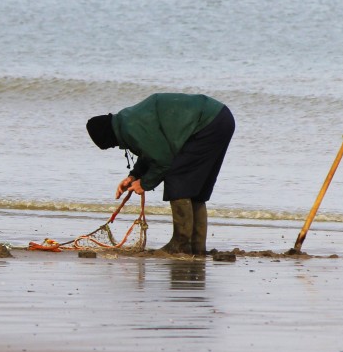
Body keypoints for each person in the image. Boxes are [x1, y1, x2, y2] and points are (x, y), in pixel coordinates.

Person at [86, 93, 234, 255]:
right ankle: (196, 247)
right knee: (195, 190)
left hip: (208, 123)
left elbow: (163, 160)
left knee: (177, 178)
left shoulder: (131, 128)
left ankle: (180, 244)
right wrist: (134, 176)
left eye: (110, 145)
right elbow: (152, 151)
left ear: (109, 137)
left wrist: (145, 184)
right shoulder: (128, 121)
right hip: (220, 118)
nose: (115, 147)